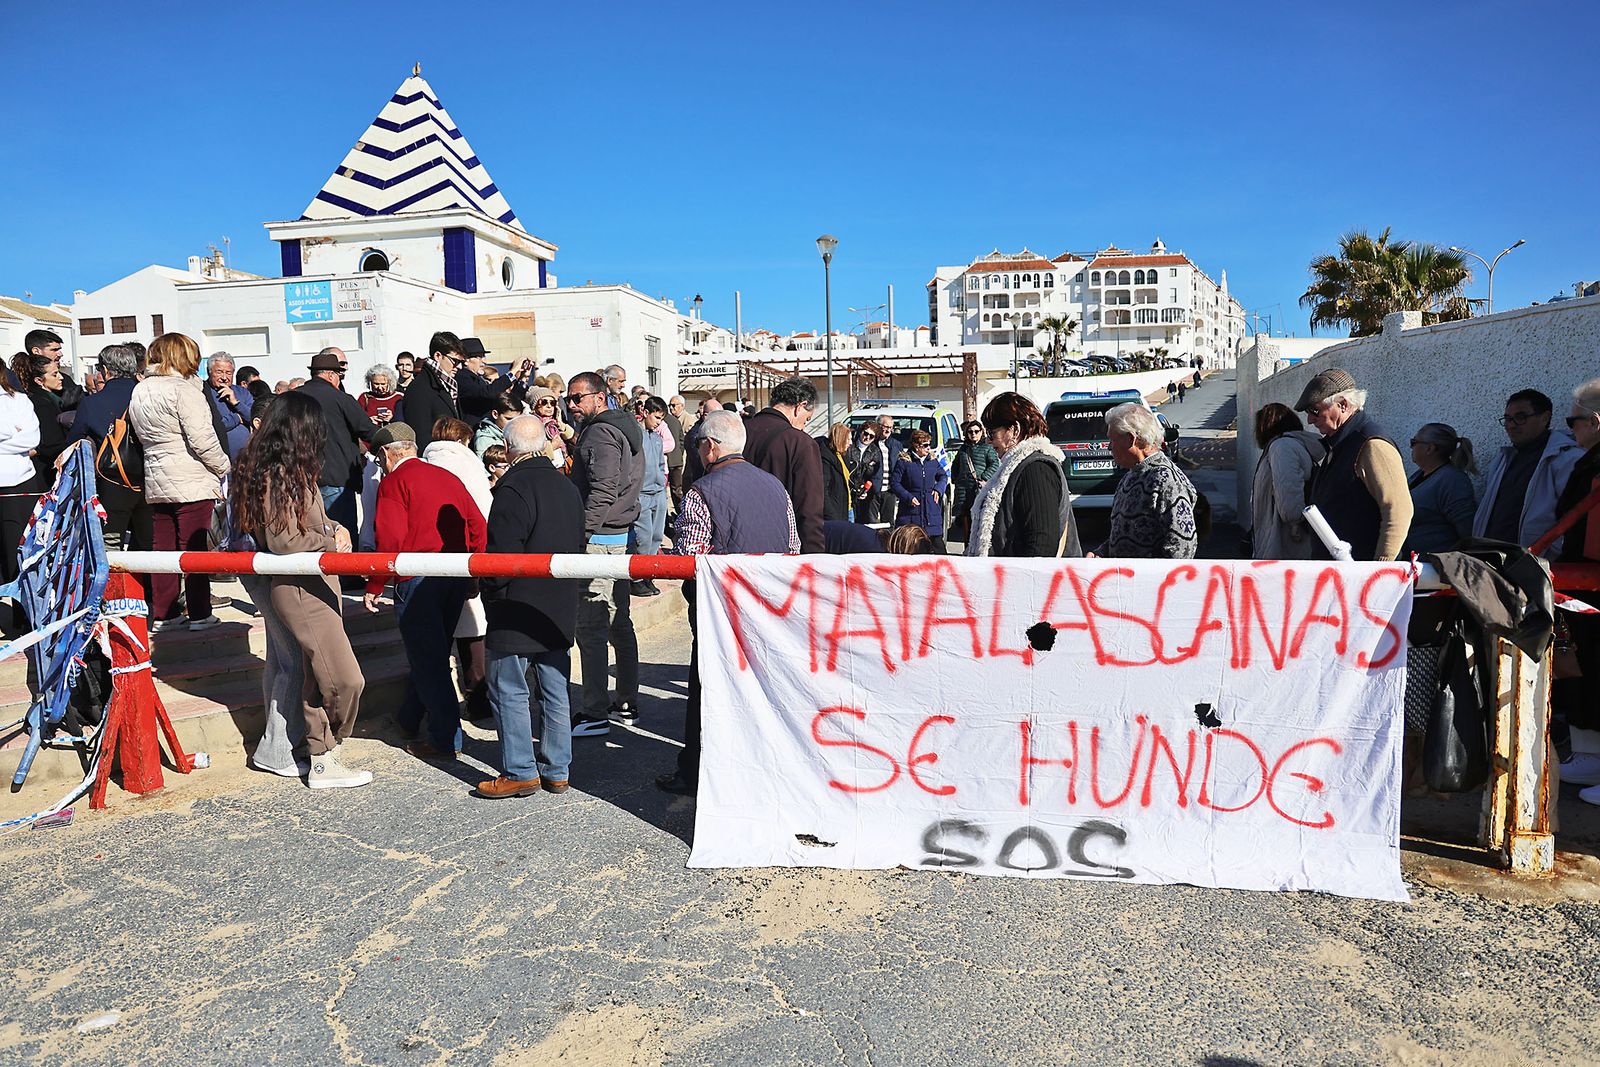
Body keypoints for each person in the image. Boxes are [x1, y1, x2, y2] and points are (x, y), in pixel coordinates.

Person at [229, 391, 369, 788]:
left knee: (317, 673)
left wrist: (331, 528)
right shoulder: (280, 474)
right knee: (342, 678)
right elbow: (285, 541)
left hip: (310, 583)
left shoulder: (282, 469)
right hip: (300, 586)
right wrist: (329, 534)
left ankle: (320, 755)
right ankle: (324, 751)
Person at [656, 410, 799, 796]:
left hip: (720, 612)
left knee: (706, 690)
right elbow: (793, 549)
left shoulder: (702, 492)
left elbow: (692, 560)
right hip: (770, 610)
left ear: (710, 446)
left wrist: (663, 558)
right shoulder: (775, 487)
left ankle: (693, 773)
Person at [365, 422, 487, 761]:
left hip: (416, 578)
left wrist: (375, 584)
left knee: (428, 659)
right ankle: (408, 718)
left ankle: (445, 739)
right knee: (432, 652)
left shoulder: (394, 482)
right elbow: (477, 524)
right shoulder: (448, 477)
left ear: (387, 453)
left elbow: (389, 539)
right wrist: (474, 568)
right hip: (454, 573)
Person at [476, 416, 584, 799]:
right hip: (558, 604)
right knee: (555, 691)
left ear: (508, 450)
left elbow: (501, 558)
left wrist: (486, 589)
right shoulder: (566, 486)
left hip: (517, 608)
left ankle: (521, 769)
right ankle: (558, 769)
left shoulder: (512, 489)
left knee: (509, 689)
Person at [128, 333, 230, 631]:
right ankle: (199, 613)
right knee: (195, 548)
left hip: (157, 478)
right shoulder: (184, 390)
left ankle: (164, 613)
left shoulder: (141, 390)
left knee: (164, 551)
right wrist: (224, 466)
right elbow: (203, 439)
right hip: (191, 478)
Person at [566, 370, 643, 734]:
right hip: (617, 537)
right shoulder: (624, 427)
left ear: (599, 397)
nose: (571, 404)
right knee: (617, 624)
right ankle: (626, 702)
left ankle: (596, 712)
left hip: (599, 541)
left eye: (577, 397)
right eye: (569, 398)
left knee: (593, 629)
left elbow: (603, 490)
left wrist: (579, 534)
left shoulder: (600, 432)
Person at [1296, 368, 1412, 562]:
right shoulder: (1341, 442)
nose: (1310, 419)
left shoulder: (1370, 444)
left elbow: (1399, 510)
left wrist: (1379, 571)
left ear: (1342, 405)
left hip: (1362, 575)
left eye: (1315, 411)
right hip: (1343, 573)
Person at [425, 417, 496, 721]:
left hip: (431, 555)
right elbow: (482, 509)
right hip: (466, 551)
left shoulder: (423, 461)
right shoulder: (468, 463)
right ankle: (478, 698)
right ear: (464, 440)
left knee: (439, 629)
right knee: (472, 627)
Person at [1553, 379, 1600, 804]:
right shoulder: (1587, 461)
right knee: (1584, 666)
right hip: (1582, 575)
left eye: (1575, 421)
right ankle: (1591, 753)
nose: (1571, 430)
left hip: (1594, 575)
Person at [967, 393, 1081, 558]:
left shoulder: (1036, 469)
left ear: (1014, 430)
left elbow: (1041, 545)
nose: (988, 441)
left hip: (1026, 581)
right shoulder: (1018, 466)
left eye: (992, 433)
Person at [1472, 388, 1584, 556]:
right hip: (1493, 561)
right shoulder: (1502, 460)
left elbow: (1577, 517)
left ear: (1545, 418)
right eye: (1508, 419)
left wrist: (1549, 556)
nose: (1511, 425)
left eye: (1520, 417)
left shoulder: (1567, 458)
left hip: (1536, 566)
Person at [67, 344, 150, 551]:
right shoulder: (149, 395)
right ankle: (148, 584)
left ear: (105, 370)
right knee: (149, 543)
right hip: (151, 478)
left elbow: (73, 442)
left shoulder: (92, 403)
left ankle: (113, 584)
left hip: (112, 482)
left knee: (109, 544)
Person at [1094, 402, 1199, 559]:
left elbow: (1182, 548)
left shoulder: (1165, 480)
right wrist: (1102, 553)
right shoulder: (1130, 476)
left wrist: (1148, 579)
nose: (1109, 447)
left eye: (1112, 440)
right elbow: (1125, 534)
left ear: (1130, 439)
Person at [297, 347, 375, 537]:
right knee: (342, 536)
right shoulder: (340, 398)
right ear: (332, 375)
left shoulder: (292, 397)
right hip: (335, 477)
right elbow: (368, 430)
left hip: (299, 479)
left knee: (309, 537)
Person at [743, 377, 825, 553]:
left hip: (734, 546)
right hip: (779, 548)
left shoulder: (738, 431)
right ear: (800, 406)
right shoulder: (801, 443)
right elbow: (809, 511)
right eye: (807, 419)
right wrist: (815, 558)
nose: (804, 426)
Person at [1249, 403, 1322, 560]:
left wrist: (1295, 520)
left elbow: (1290, 506)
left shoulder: (1282, 447)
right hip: (1291, 544)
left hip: (1285, 545)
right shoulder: (1292, 445)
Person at [0, 358, 41, 637]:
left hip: (17, 482)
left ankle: (21, 617)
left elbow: (31, 439)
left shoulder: (19, 400)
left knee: (17, 551)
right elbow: (20, 439)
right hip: (13, 472)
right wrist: (10, 433)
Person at [1404, 423, 1479, 555]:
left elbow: (1468, 531)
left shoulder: (1452, 480)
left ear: (1430, 448)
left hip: (1435, 567)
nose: (1411, 447)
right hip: (1414, 563)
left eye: (1414, 442)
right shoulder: (1419, 475)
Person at [629, 396, 671, 597]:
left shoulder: (656, 437)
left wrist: (663, 484)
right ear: (645, 413)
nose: (659, 422)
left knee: (656, 536)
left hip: (658, 491)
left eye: (662, 419)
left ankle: (648, 574)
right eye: (656, 417)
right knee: (642, 537)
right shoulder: (636, 434)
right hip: (642, 493)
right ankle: (637, 577)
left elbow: (661, 464)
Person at [892, 429, 950, 552]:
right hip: (911, 512)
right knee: (913, 550)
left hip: (931, 511)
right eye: (925, 445)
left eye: (929, 444)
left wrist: (938, 489)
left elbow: (943, 476)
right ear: (916, 446)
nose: (928, 448)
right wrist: (908, 497)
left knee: (939, 550)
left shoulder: (932, 461)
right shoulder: (904, 462)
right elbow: (895, 483)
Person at [402, 331, 463, 441]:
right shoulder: (418, 389)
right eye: (455, 361)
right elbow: (420, 436)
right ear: (438, 356)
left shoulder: (448, 384)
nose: (459, 367)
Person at [455, 337, 523, 426]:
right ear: (466, 360)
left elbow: (504, 399)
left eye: (484, 356)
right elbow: (488, 393)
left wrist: (522, 377)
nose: (484, 361)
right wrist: (512, 372)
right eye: (479, 357)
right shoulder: (461, 377)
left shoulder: (477, 378)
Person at [950, 420, 999, 532]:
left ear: (981, 432)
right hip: (963, 490)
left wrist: (984, 477)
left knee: (979, 521)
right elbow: (955, 465)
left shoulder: (987, 447)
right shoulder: (963, 448)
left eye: (976, 431)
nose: (973, 434)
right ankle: (967, 548)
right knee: (965, 522)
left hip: (978, 488)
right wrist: (955, 479)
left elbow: (995, 463)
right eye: (970, 432)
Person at [204, 352, 253, 460]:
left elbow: (255, 418)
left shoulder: (242, 392)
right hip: (218, 460)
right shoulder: (203, 393)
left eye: (229, 373)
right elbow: (212, 426)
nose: (224, 377)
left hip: (244, 459)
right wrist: (237, 418)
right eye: (219, 372)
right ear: (209, 372)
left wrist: (236, 403)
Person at [856, 417, 904, 525]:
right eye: (886, 427)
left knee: (888, 524)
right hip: (872, 491)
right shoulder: (871, 442)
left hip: (890, 491)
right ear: (879, 426)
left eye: (891, 428)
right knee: (870, 523)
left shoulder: (896, 445)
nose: (888, 430)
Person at [682, 398, 723, 491]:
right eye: (718, 415)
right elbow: (701, 463)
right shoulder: (696, 435)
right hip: (701, 483)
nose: (721, 418)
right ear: (706, 415)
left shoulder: (715, 430)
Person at [817, 423, 855, 522]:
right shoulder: (825, 458)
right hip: (835, 512)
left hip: (848, 508)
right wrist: (832, 516)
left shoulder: (843, 455)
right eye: (848, 439)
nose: (851, 443)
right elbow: (823, 491)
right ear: (840, 439)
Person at [665, 395, 688, 513]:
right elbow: (681, 441)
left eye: (674, 405)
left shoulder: (684, 419)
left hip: (671, 461)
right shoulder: (675, 420)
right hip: (676, 460)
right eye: (670, 405)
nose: (671, 408)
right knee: (676, 490)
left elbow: (681, 441)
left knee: (675, 490)